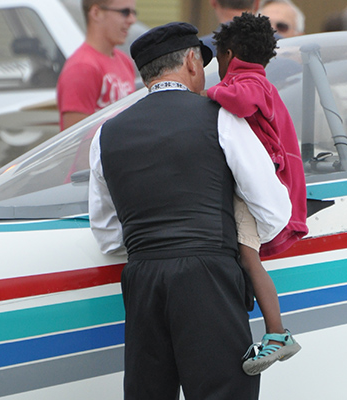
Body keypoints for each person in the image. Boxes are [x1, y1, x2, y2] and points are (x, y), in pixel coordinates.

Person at [89, 21, 292, 399]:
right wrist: (241, 242)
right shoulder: (220, 117)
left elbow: (108, 236)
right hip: (208, 276)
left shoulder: (106, 134)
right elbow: (274, 210)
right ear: (190, 63)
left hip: (143, 279)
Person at [205, 12, 307, 375]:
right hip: (265, 185)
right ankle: (275, 332)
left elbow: (240, 102)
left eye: (217, 59)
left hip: (259, 189)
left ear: (229, 55)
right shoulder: (262, 81)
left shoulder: (249, 82)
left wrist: (206, 95)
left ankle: (278, 333)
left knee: (249, 258)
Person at [57, 0, 137, 131]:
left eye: (134, 13)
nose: (132, 20)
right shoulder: (82, 68)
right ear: (96, 13)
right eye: (124, 12)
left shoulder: (125, 61)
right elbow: (76, 138)